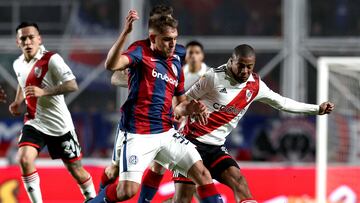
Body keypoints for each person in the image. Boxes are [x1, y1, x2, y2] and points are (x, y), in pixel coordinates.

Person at [171, 44, 335, 203]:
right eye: (240, 66)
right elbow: (180, 104)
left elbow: (283, 103)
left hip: (215, 148)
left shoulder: (256, 86)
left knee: (239, 181)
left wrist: (317, 109)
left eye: (249, 67)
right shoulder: (212, 78)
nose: (245, 71)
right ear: (231, 61)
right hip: (189, 143)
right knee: (183, 200)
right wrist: (192, 109)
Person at [88, 15, 223, 203]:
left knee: (202, 173)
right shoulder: (140, 52)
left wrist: (192, 108)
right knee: (127, 191)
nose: (172, 44)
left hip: (166, 132)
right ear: (153, 39)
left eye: (175, 39)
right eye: (167, 39)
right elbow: (111, 65)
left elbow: (180, 104)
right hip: (139, 133)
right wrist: (125, 34)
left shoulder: (176, 63)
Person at [8, 22, 96, 202]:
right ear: (18, 42)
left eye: (31, 37)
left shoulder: (51, 59)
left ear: (39, 39)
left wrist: (44, 92)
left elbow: (72, 84)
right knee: (24, 159)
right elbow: (21, 80)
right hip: (34, 122)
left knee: (76, 170)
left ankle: (93, 198)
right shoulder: (18, 63)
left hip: (59, 126)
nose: (27, 41)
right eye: (23, 38)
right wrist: (18, 101)